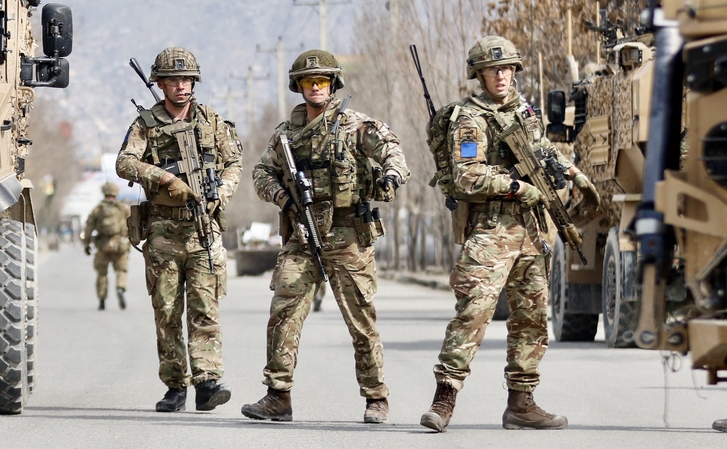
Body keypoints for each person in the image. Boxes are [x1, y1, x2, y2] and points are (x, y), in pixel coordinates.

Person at [419, 36, 601, 432]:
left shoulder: (524, 110)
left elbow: (542, 152)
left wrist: (574, 172)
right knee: (473, 313)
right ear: (478, 74)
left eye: (506, 68)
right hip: (490, 229)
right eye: (492, 69)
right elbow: (468, 175)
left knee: (532, 319)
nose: (501, 75)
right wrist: (518, 187)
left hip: (531, 231)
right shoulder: (469, 119)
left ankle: (522, 403)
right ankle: (444, 400)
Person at [241, 49, 410, 424]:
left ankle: (376, 397)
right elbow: (261, 174)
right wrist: (282, 197)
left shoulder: (356, 125)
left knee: (360, 320)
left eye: (322, 80)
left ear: (333, 84)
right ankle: (278, 395)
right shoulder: (286, 134)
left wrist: (391, 175)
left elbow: (393, 152)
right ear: (298, 86)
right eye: (308, 81)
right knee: (283, 311)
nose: (315, 87)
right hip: (302, 234)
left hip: (348, 235)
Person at [115, 47, 243, 413]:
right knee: (167, 311)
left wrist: (222, 192)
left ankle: (208, 381)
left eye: (186, 79)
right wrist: (164, 177)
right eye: (173, 80)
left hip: (203, 227)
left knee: (206, 308)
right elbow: (124, 162)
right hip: (163, 230)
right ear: (160, 83)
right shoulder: (145, 123)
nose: (181, 86)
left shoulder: (212, 121)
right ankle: (175, 386)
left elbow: (234, 161)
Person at [83, 182, 131, 311]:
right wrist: (131, 243)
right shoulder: (123, 208)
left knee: (102, 274)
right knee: (121, 271)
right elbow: (132, 225)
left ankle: (102, 299)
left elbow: (88, 228)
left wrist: (86, 244)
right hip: (120, 245)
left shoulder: (98, 209)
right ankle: (120, 288)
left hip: (103, 246)